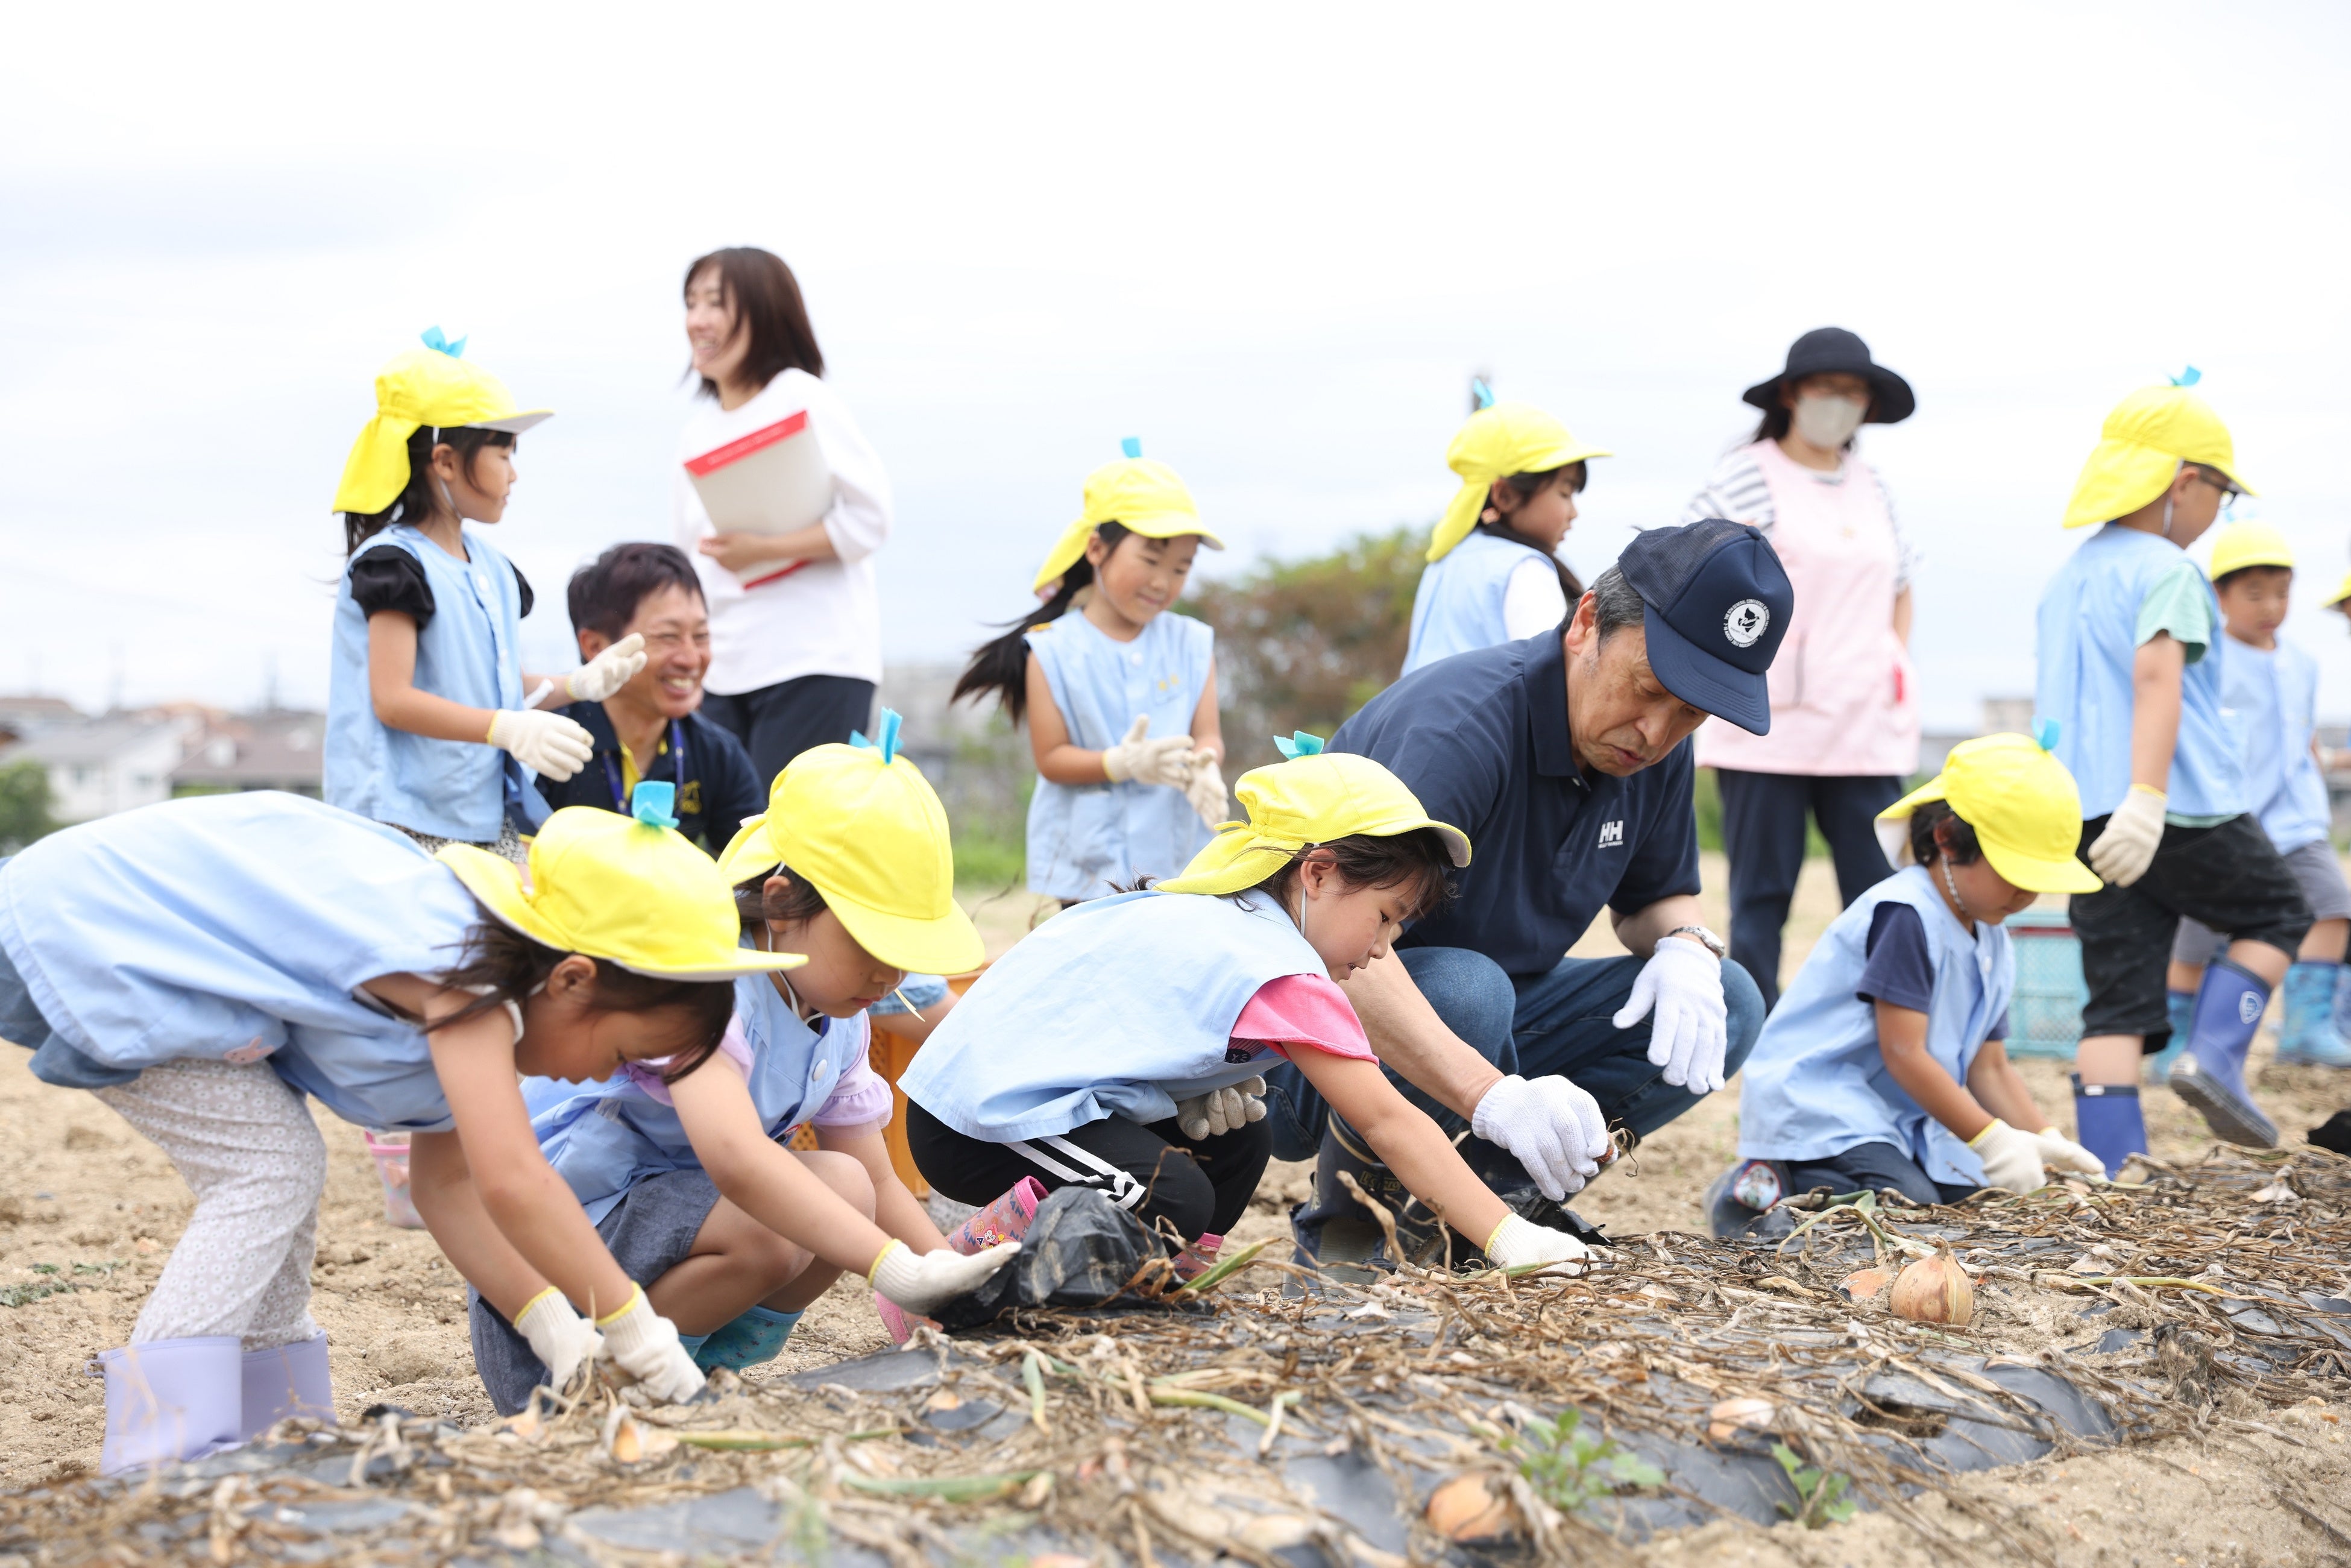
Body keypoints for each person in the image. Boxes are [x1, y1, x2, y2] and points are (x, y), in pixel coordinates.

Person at [0, 792, 797, 1472]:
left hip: (146, 942)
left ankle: (281, 1433)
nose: (604, 1076)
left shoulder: (481, 1000)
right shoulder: (466, 977)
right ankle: (158, 1457)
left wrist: (556, 1325)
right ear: (572, 979)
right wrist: (637, 1334)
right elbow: (513, 1180)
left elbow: (446, 1186)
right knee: (270, 1170)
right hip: (100, 929)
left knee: (282, 1175)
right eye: (621, 1053)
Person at [1264, 518, 1790, 1258]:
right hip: (1302, 1041)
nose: (1656, 732)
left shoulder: (1653, 751)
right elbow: (1333, 938)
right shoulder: (1459, 734)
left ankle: (1482, 1214)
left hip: (1491, 1017)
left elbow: (1653, 901)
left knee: (1730, 998)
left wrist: (1688, 945)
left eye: (1691, 714)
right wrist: (1492, 1095)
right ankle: (1349, 1240)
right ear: (1586, 624)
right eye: (1648, 689)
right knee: (1469, 991)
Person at [479, 719, 1012, 1412]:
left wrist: (948, 1281)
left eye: (905, 950)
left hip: (664, 1228)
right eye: (872, 943)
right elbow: (735, 1159)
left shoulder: (838, 1016)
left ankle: (697, 1368)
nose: (891, 975)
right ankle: (608, 1381)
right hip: (561, 1270)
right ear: (783, 903)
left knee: (846, 1186)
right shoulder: (710, 986)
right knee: (772, 1221)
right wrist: (894, 1269)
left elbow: (878, 1181)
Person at [898, 746, 1594, 1274]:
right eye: (1385, 917)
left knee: (1238, 1142)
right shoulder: (1274, 965)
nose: (1385, 948)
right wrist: (1509, 1237)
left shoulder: (1235, 919)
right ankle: (961, 1279)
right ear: (1317, 873)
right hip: (981, 1117)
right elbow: (1389, 1122)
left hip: (1053, 1098)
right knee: (1172, 1195)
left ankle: (1165, 1281)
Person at [2035, 380, 2308, 1170]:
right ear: (2185, 482)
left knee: (2115, 1001)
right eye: (2222, 492)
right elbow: (2157, 678)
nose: (2219, 510)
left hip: (2085, 818)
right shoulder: (2170, 571)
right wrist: (2149, 797)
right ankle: (2214, 1057)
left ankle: (2114, 1172)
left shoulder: (2065, 580)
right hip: (2175, 806)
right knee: (2278, 912)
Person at [1713, 734, 2107, 1231]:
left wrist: (2047, 1144)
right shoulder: (1906, 916)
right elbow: (1904, 1052)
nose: (2028, 892)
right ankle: (1761, 1189)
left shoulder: (1991, 933)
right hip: (1822, 1106)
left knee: (1975, 1197)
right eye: (2014, 869)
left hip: (1895, 1115)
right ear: (1947, 838)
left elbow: (1990, 1067)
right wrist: (1992, 1139)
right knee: (1908, 1207)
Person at [327, 331, 646, 861]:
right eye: (503, 453)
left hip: (481, 814)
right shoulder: (394, 565)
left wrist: (578, 683)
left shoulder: (492, 568)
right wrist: (504, 727)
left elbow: (497, 688)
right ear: (446, 461)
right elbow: (393, 699)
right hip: (400, 820)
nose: (513, 473)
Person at [1681, 327, 1921, 1008]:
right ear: (1791, 395)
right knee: (1762, 895)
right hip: (1770, 721)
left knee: (1880, 891)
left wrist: (1890, 660)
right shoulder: (1746, 473)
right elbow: (1690, 564)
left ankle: (1879, 1028)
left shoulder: (1874, 485)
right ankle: (1754, 1029)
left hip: (1864, 724)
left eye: (1854, 393)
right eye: (1827, 389)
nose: (1840, 404)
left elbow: (1902, 582)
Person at [952, 443, 1228, 902]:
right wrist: (1120, 763)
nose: (1163, 582)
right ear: (1097, 549)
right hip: (1088, 867)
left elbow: (1208, 735)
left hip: (1176, 858)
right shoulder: (1052, 649)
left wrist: (1205, 765)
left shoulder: (1193, 643)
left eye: (1181, 568)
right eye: (1151, 560)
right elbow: (1052, 757)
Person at [676, 248, 891, 781]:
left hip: (815, 660)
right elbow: (687, 559)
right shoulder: (697, 432)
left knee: (787, 826)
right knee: (728, 826)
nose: (698, 319)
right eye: (691, 303)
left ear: (765, 312)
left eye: (716, 303)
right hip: (725, 667)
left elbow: (871, 519)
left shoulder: (801, 396)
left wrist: (764, 550)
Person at [2161, 524, 2351, 1070]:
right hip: (2228, 815)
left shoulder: (2303, 663)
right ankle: (2177, 1036)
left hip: (2297, 816)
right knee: (2199, 932)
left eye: (2282, 593)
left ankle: (2307, 1027)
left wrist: (2322, 761)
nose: (2271, 607)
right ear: (2219, 596)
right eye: (2254, 594)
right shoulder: (2206, 658)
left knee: (2333, 905)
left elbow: (2302, 733)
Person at [534, 543, 766, 854]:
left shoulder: (717, 753)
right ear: (596, 647)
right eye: (668, 636)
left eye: (701, 636)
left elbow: (754, 866)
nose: (691, 658)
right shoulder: (544, 742)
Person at [1400, 388, 1609, 676]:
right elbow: (1552, 681)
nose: (1573, 513)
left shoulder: (1444, 563)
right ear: (1505, 495)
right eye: (1564, 493)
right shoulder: (1524, 571)